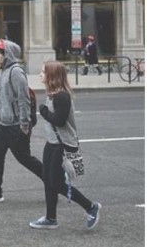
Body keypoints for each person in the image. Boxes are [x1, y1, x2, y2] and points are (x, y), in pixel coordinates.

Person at [29, 60, 101, 230]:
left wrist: (44, 112)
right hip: (52, 143)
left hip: (62, 146)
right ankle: (50, 218)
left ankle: (91, 207)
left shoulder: (62, 96)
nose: (40, 75)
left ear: (52, 76)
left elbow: (60, 121)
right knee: (48, 180)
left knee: (57, 184)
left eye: (43, 72)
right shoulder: (53, 94)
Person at [0, 39, 43, 203]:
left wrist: (24, 125)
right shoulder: (2, 70)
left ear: (8, 55)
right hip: (0, 124)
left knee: (25, 159)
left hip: (14, 126)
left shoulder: (16, 72)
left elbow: (23, 100)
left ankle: (55, 178)